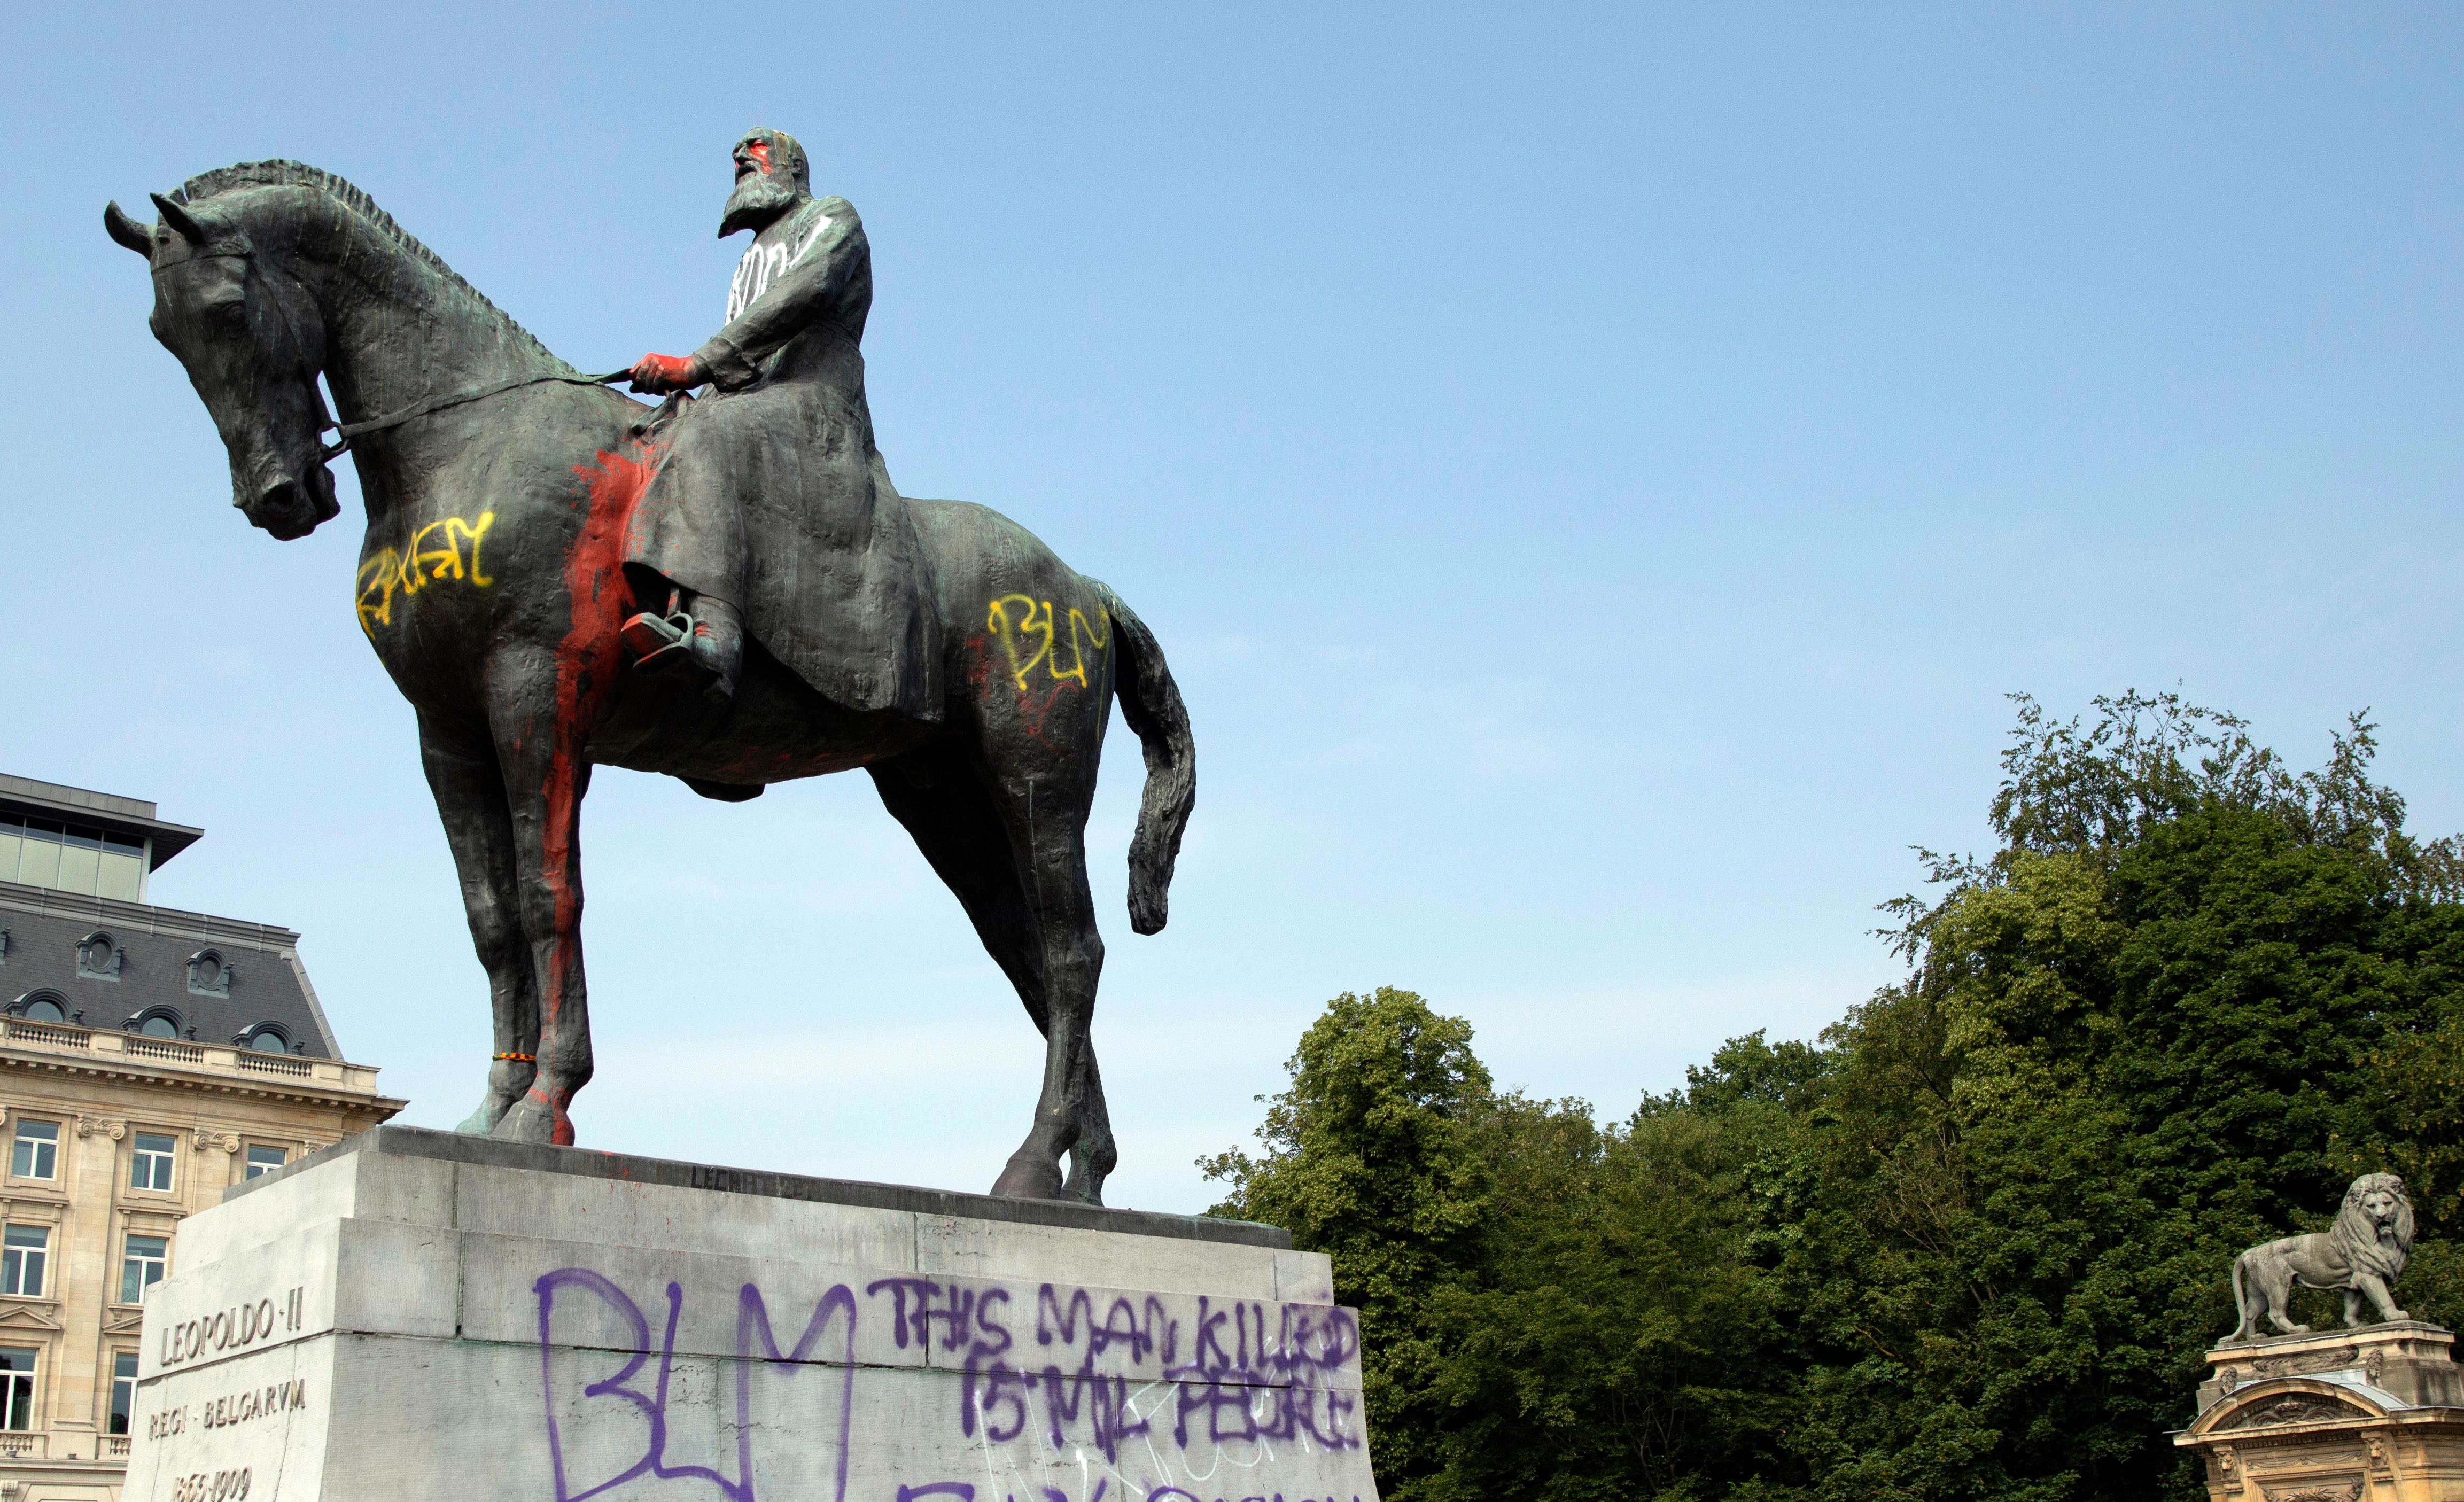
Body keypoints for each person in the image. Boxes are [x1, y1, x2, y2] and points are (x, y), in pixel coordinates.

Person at [620, 128, 938, 717]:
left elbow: (805, 292)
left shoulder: (831, 216)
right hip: (747, 400)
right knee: (654, 433)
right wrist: (683, 387)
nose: (741, 157)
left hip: (813, 399)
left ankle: (715, 638)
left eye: (757, 148)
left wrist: (694, 364)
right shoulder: (748, 259)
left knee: (706, 434)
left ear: (791, 166)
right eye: (737, 153)